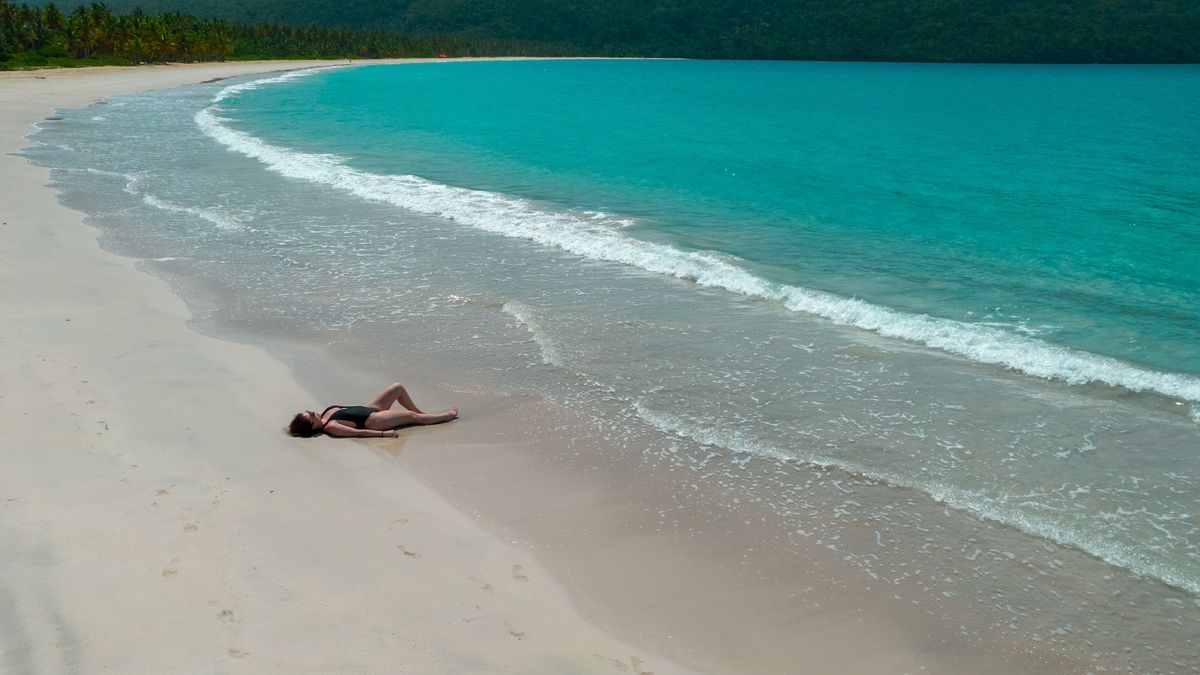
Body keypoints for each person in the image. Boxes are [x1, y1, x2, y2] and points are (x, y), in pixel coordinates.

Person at [288, 382, 458, 438]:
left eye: (309, 411)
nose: (312, 412)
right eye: (310, 416)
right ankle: (446, 416)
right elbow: (358, 433)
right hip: (374, 421)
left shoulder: (326, 413)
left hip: (371, 408)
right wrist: (384, 434)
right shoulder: (331, 427)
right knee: (410, 417)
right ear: (313, 426)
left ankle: (423, 414)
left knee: (397, 387)